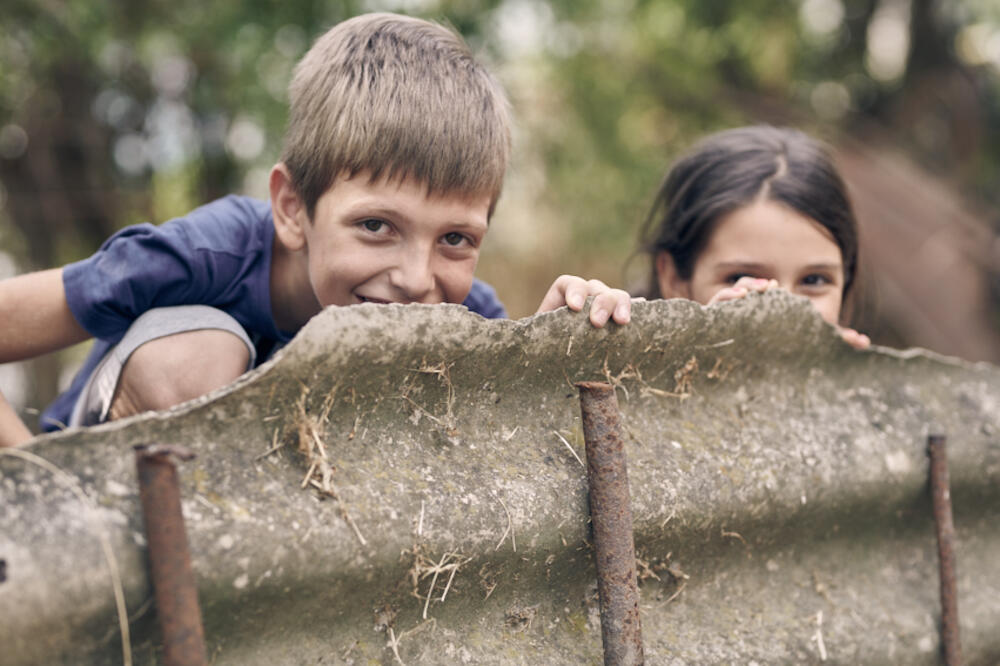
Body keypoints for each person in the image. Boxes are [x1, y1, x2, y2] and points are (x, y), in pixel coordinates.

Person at [0, 13, 631, 447]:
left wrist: (548, 349)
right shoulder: (203, 254)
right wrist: (28, 479)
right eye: (376, 225)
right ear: (293, 208)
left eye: (455, 239)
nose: (415, 280)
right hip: (107, 479)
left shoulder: (462, 309)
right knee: (200, 354)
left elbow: (510, 436)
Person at [636, 124, 870, 350]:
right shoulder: (623, 383)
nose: (785, 315)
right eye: (742, 277)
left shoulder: (869, 387)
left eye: (814, 280)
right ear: (674, 280)